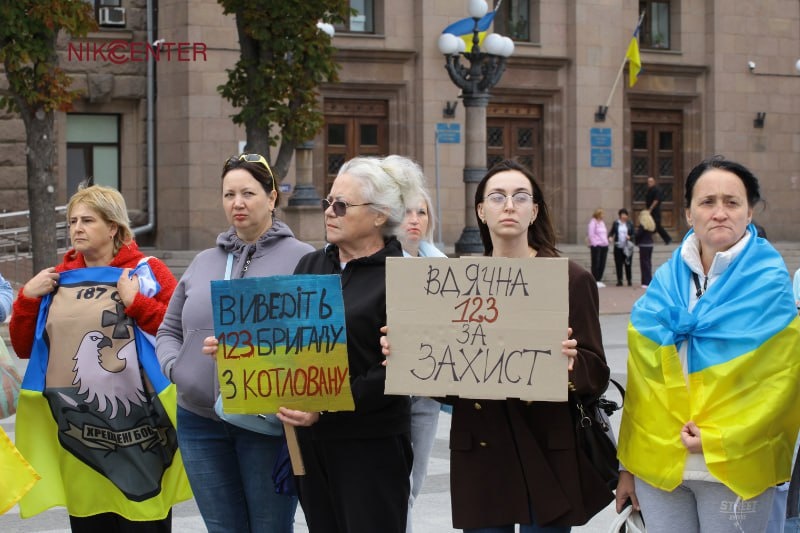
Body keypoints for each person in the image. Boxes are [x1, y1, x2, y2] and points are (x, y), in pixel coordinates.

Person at [381, 159, 612, 532]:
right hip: (483, 451)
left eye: (521, 197)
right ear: (481, 211)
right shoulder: (453, 283)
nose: (509, 205)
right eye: (498, 197)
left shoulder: (571, 278)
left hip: (547, 449)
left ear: (534, 211)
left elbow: (596, 371)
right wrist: (408, 356)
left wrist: (571, 363)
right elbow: (449, 383)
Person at [616, 157, 800, 533]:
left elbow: (783, 383)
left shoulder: (769, 283)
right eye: (707, 202)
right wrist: (628, 467)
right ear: (688, 213)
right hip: (659, 463)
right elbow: (642, 385)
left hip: (735, 463)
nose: (720, 213)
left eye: (732, 203)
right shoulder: (665, 281)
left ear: (749, 212)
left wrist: (718, 438)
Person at [10, 184, 190, 532]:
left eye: (87, 220)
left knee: (143, 517)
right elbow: (23, 348)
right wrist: (27, 299)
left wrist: (137, 303)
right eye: (72, 220)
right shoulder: (57, 281)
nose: (76, 227)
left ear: (113, 227)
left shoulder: (147, 272)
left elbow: (178, 333)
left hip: (143, 432)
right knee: (91, 519)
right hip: (80, 434)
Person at [156, 154, 311, 533]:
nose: (237, 203)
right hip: (199, 419)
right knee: (223, 528)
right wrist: (177, 368)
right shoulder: (203, 261)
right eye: (229, 194)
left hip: (266, 422)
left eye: (248, 193)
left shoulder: (304, 259)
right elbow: (168, 330)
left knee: (270, 528)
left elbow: (317, 341)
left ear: (272, 197)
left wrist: (255, 354)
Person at [274, 155, 418, 533]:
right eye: (328, 202)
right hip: (312, 442)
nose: (329, 212)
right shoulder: (310, 265)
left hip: (370, 446)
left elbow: (398, 372)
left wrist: (324, 407)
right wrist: (246, 350)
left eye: (342, 205)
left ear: (379, 215)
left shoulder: (405, 279)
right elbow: (289, 344)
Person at [394, 156, 447, 533]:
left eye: (422, 212)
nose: (415, 219)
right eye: (407, 211)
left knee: (413, 482)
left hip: (425, 395)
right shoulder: (373, 266)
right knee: (392, 486)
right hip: (385, 392)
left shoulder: (444, 267)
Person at [608, 208, 634, 287]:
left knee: (628, 263)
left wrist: (630, 237)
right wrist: (610, 237)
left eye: (625, 215)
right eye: (622, 214)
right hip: (618, 246)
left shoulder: (630, 223)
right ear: (620, 215)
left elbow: (634, 234)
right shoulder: (616, 223)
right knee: (618, 264)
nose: (624, 216)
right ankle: (619, 280)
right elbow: (611, 233)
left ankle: (629, 280)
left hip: (627, 247)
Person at [645, 176, 673, 244]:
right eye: (648, 182)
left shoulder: (657, 190)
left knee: (657, 226)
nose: (649, 183)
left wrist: (650, 209)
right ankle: (648, 239)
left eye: (651, 181)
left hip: (655, 211)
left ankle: (668, 239)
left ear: (654, 182)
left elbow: (656, 200)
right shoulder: (649, 190)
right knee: (650, 225)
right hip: (650, 211)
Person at [587, 208, 609, 288]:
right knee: (596, 263)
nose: (603, 215)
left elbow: (604, 234)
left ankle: (599, 279)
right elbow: (591, 234)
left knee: (602, 263)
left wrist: (606, 242)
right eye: (602, 214)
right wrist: (595, 243)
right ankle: (595, 279)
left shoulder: (602, 223)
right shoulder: (593, 222)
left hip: (604, 245)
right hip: (596, 246)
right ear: (598, 214)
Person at [635, 209, 656, 288]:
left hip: (643, 245)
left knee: (644, 264)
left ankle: (645, 282)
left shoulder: (642, 225)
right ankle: (649, 280)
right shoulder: (650, 225)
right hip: (650, 245)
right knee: (648, 263)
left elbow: (638, 235)